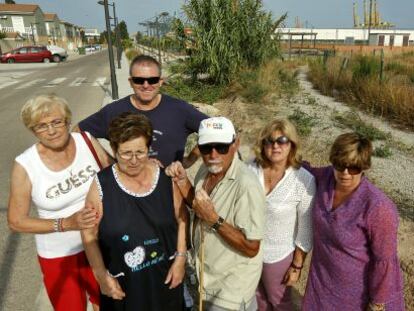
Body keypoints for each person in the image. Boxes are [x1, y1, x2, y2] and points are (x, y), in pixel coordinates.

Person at [8, 94, 112, 310]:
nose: (52, 131)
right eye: (42, 126)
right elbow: (16, 221)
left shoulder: (86, 141)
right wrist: (65, 223)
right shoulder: (26, 165)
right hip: (60, 256)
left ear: (67, 120)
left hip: (102, 242)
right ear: (32, 130)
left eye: (57, 122)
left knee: (108, 303)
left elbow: (115, 177)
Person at [81, 112, 188, 311]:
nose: (133, 160)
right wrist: (102, 276)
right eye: (125, 153)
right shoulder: (101, 184)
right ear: (114, 149)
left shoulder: (165, 178)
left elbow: (182, 218)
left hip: (166, 280)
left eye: (140, 152)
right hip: (124, 288)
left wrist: (181, 259)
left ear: (149, 148)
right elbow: (89, 235)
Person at [166, 116, 266, 311]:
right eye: (206, 147)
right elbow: (199, 205)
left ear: (235, 144)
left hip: (230, 290)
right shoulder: (206, 170)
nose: (213, 154)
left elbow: (252, 247)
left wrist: (214, 220)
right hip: (208, 280)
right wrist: (182, 181)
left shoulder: (247, 186)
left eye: (221, 147)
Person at [302, 133, 405, 311]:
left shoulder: (378, 208)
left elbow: (385, 261)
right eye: (340, 165)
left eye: (354, 168)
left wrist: (376, 304)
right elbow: (302, 170)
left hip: (356, 296)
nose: (346, 173)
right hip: (321, 283)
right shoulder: (326, 178)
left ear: (364, 167)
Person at [74, 54, 208, 167]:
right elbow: (77, 133)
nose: (146, 85)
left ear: (160, 81)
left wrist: (191, 159)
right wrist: (109, 162)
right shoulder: (113, 111)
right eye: (139, 80)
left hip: (170, 189)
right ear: (131, 82)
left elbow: (214, 128)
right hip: (127, 192)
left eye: (152, 80)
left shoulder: (179, 109)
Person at [248, 119, 315, 310]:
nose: (275, 145)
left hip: (278, 256)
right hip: (248, 251)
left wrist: (297, 266)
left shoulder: (303, 181)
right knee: (258, 302)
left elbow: (305, 229)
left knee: (281, 304)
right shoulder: (250, 170)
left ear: (292, 145)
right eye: (269, 141)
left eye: (282, 140)